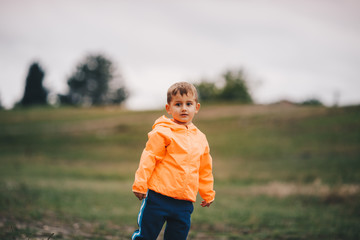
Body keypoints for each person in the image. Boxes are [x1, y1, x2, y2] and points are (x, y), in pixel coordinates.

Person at [131, 82, 215, 240]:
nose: (184, 108)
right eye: (178, 104)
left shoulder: (201, 138)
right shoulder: (162, 132)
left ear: (196, 108)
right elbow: (149, 157)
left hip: (184, 203)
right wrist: (140, 184)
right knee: (146, 236)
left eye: (188, 104)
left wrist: (207, 193)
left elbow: (205, 168)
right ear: (168, 108)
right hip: (158, 198)